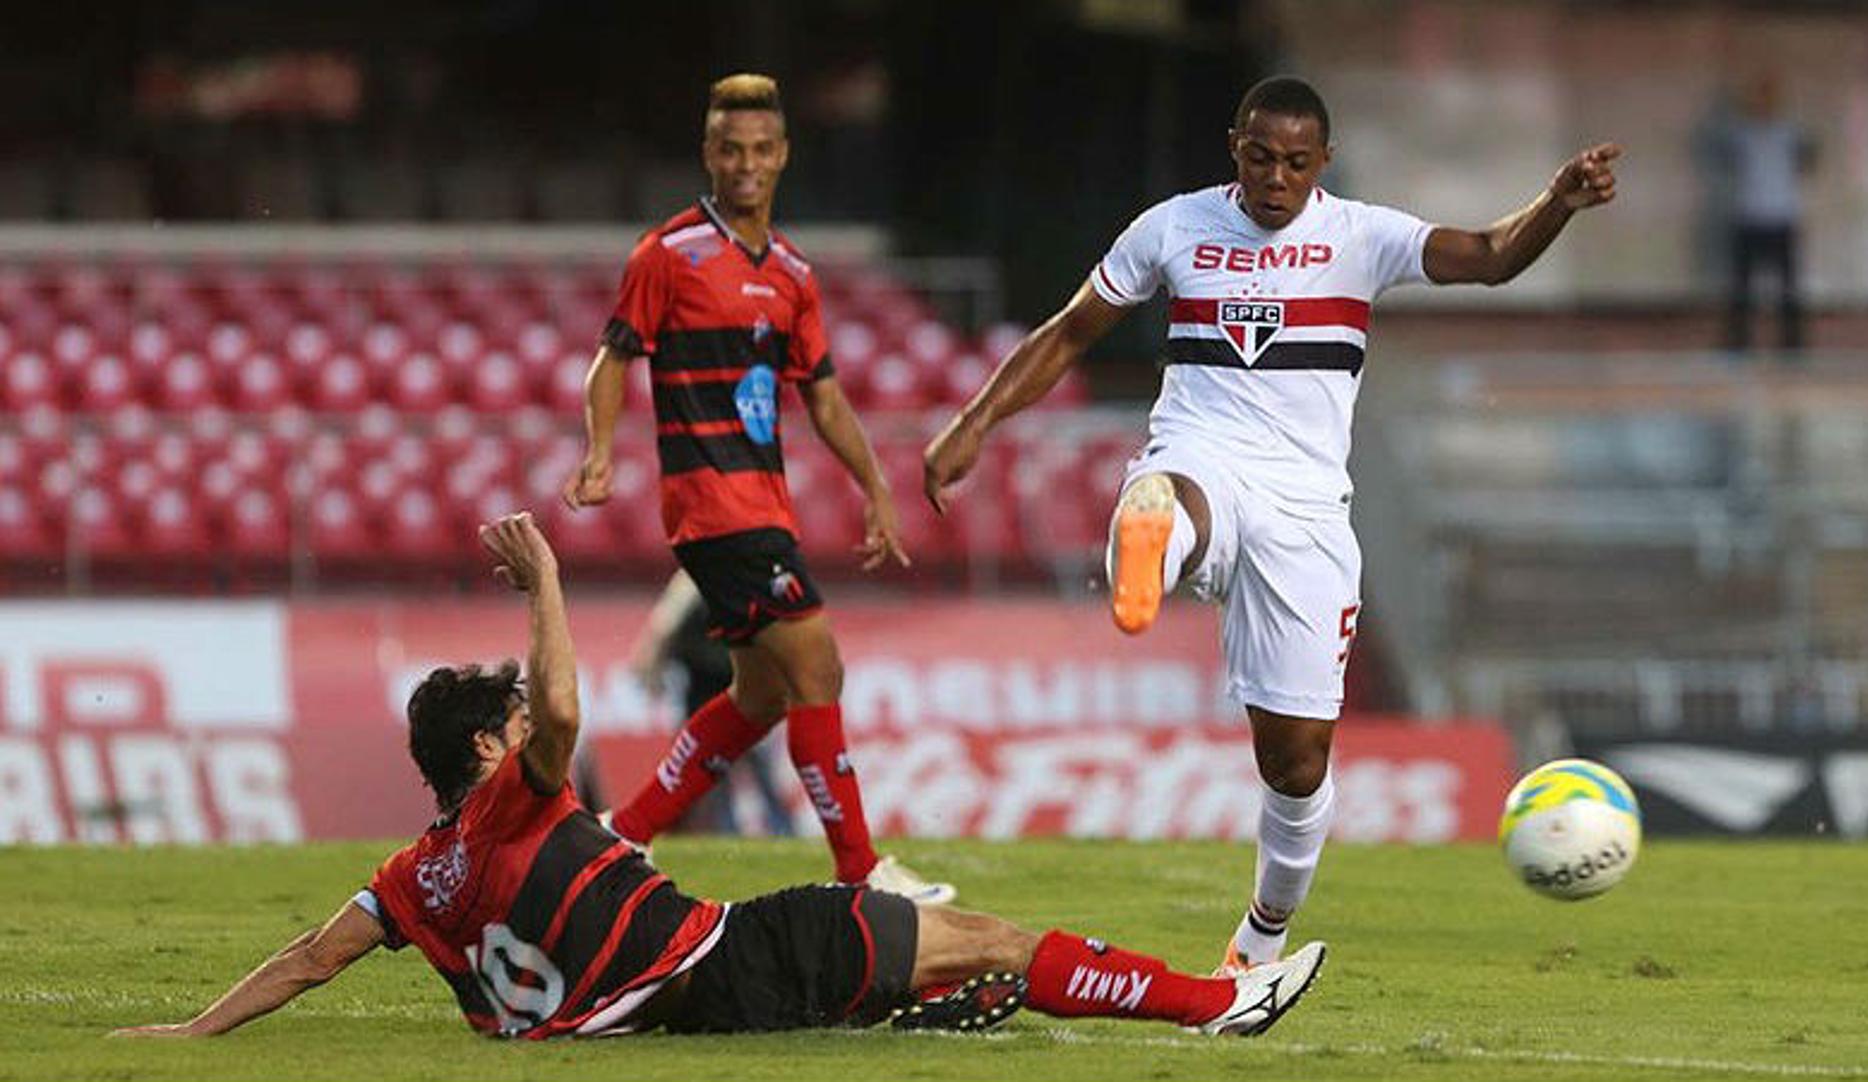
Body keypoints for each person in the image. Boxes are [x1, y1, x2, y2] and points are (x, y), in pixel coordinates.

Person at [112, 512, 1327, 1041]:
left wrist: (192, 1022)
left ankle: (891, 995)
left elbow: (308, 957)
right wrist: (543, 579)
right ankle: (1214, 1001)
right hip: (719, 960)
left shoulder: (414, 873)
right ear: (486, 750)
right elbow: (573, 706)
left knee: (913, 959)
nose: (538, 723)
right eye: (516, 717)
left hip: (658, 994)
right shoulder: (508, 796)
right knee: (988, 935)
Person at [923, 76, 1620, 975]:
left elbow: (1487, 254)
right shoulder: (1172, 227)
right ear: (1234, 147)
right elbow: (1067, 331)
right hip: (1203, 451)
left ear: (1322, 162)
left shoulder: (1362, 236)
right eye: (1260, 156)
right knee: (1181, 499)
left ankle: (1258, 942)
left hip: (1308, 506)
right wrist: (973, 422)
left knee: (1296, 763)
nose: (1275, 178)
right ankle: (1151, 536)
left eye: (1296, 161)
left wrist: (1557, 203)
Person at [562, 73, 950, 903]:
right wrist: (599, 452)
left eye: (760, 150)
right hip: (712, 503)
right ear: (709, 154)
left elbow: (825, 395)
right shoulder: (666, 254)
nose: (745, 164)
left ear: (782, 156)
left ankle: (621, 833)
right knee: (819, 667)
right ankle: (860, 871)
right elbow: (612, 357)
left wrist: (876, 488)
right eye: (729, 150)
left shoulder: (794, 275)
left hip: (763, 503)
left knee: (763, 692)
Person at [628, 569, 794, 836]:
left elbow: (662, 629)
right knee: (725, 767)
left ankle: (769, 828)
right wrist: (651, 664)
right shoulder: (697, 578)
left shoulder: (704, 574)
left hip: (733, 686)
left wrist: (650, 664)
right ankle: (754, 830)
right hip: (714, 687)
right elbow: (664, 628)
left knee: (734, 765)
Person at [1716, 71, 1815, 355]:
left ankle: (1793, 347)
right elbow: (1724, 157)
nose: (1762, 102)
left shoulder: (1789, 132)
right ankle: (1738, 345)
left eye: (1767, 96)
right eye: (1758, 96)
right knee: (1741, 288)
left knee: (1789, 289)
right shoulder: (1741, 133)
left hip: (1782, 216)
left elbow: (1808, 159)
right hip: (1749, 216)